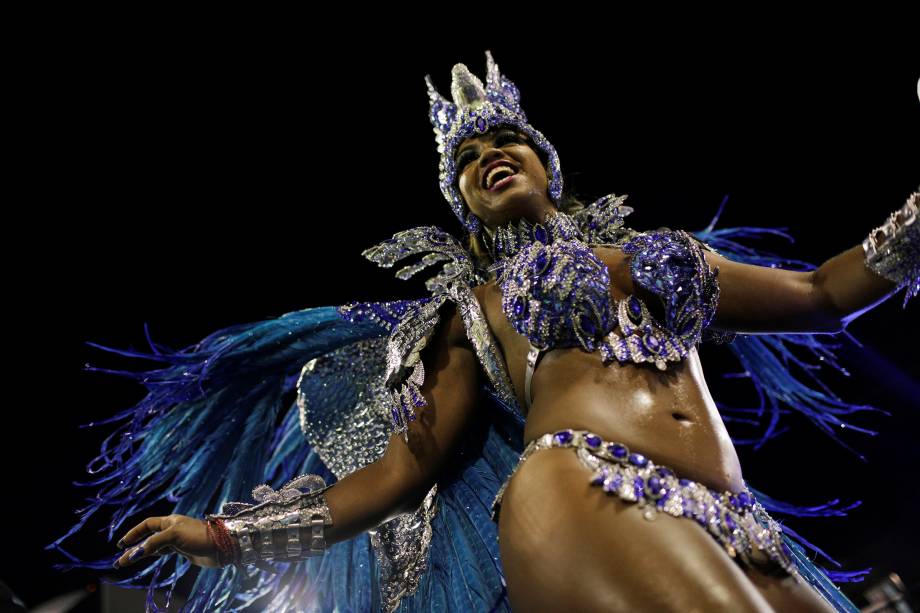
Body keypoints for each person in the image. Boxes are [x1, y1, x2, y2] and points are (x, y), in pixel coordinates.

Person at [49, 51, 918, 612]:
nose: (486, 157)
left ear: (548, 162)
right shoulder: (472, 315)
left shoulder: (664, 256)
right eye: (465, 159)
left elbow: (820, 291)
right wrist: (224, 534)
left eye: (505, 141)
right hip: (583, 491)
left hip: (733, 516)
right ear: (460, 200)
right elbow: (397, 476)